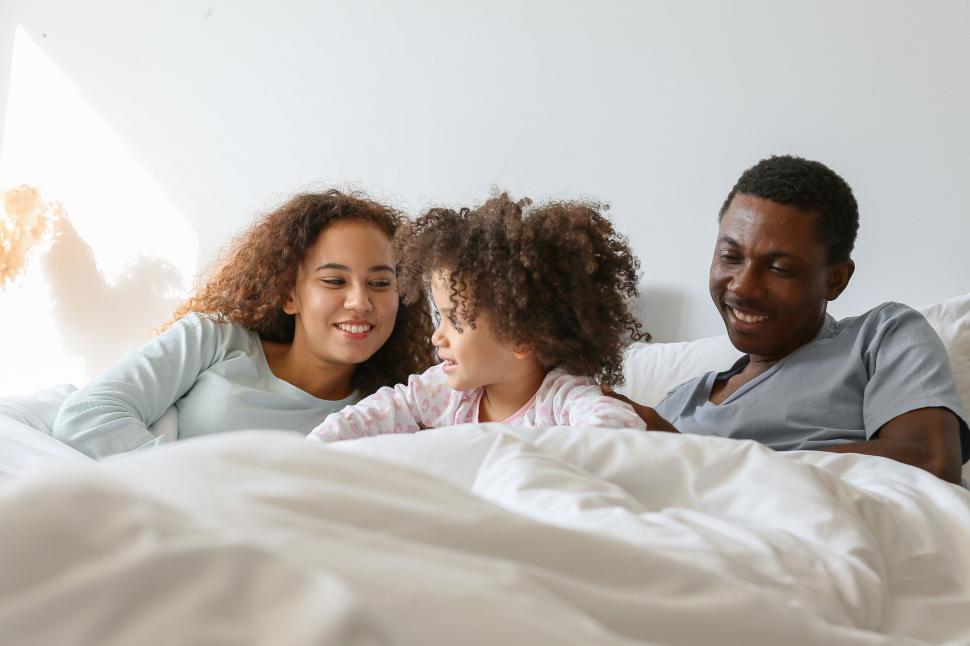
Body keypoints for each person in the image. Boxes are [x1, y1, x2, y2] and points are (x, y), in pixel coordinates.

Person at [618, 155, 968, 484]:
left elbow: (930, 462)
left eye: (779, 268)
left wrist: (700, 460)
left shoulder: (880, 337)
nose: (743, 286)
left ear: (835, 280)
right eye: (731, 257)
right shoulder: (680, 402)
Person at [53, 190, 436, 458]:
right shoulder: (212, 340)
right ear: (290, 295)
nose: (360, 302)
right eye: (334, 281)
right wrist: (198, 492)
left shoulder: (392, 412)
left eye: (380, 283)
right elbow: (87, 415)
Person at [307, 193, 648, 443]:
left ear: (520, 336)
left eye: (454, 320)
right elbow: (378, 412)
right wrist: (315, 448)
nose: (437, 337)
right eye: (438, 316)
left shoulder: (560, 399)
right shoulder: (446, 391)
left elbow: (618, 430)